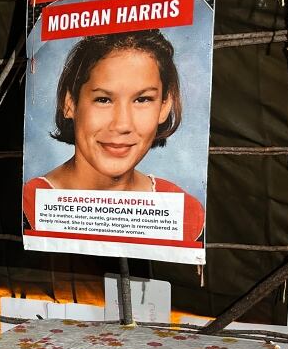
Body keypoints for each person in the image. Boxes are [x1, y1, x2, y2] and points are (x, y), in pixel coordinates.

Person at [23, 30, 204, 242]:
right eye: (103, 100)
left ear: (165, 106)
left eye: (143, 99)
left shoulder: (183, 211)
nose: (122, 125)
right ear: (69, 103)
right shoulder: (31, 204)